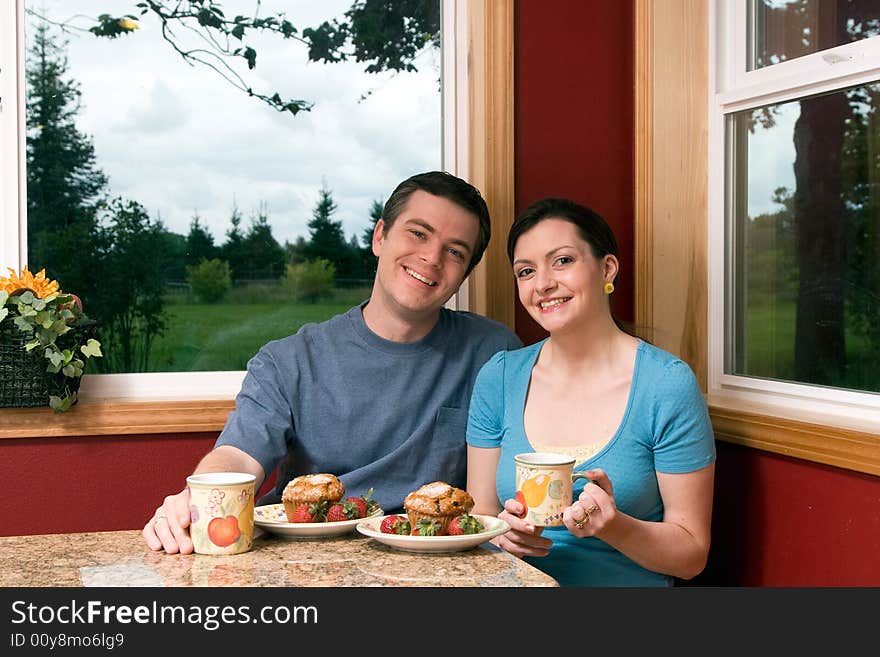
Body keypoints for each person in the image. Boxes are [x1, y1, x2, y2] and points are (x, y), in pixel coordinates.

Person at [143, 171, 522, 554]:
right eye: (418, 233)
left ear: (465, 273)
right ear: (380, 236)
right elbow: (238, 455)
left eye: (455, 251)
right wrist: (197, 497)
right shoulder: (288, 361)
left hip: (435, 565)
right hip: (305, 567)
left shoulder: (495, 352)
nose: (431, 258)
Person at [466, 197, 716, 587]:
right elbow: (480, 513)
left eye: (562, 260)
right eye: (526, 271)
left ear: (607, 268)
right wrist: (501, 532)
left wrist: (613, 526)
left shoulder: (666, 384)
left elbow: (691, 555)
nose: (543, 284)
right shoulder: (498, 378)